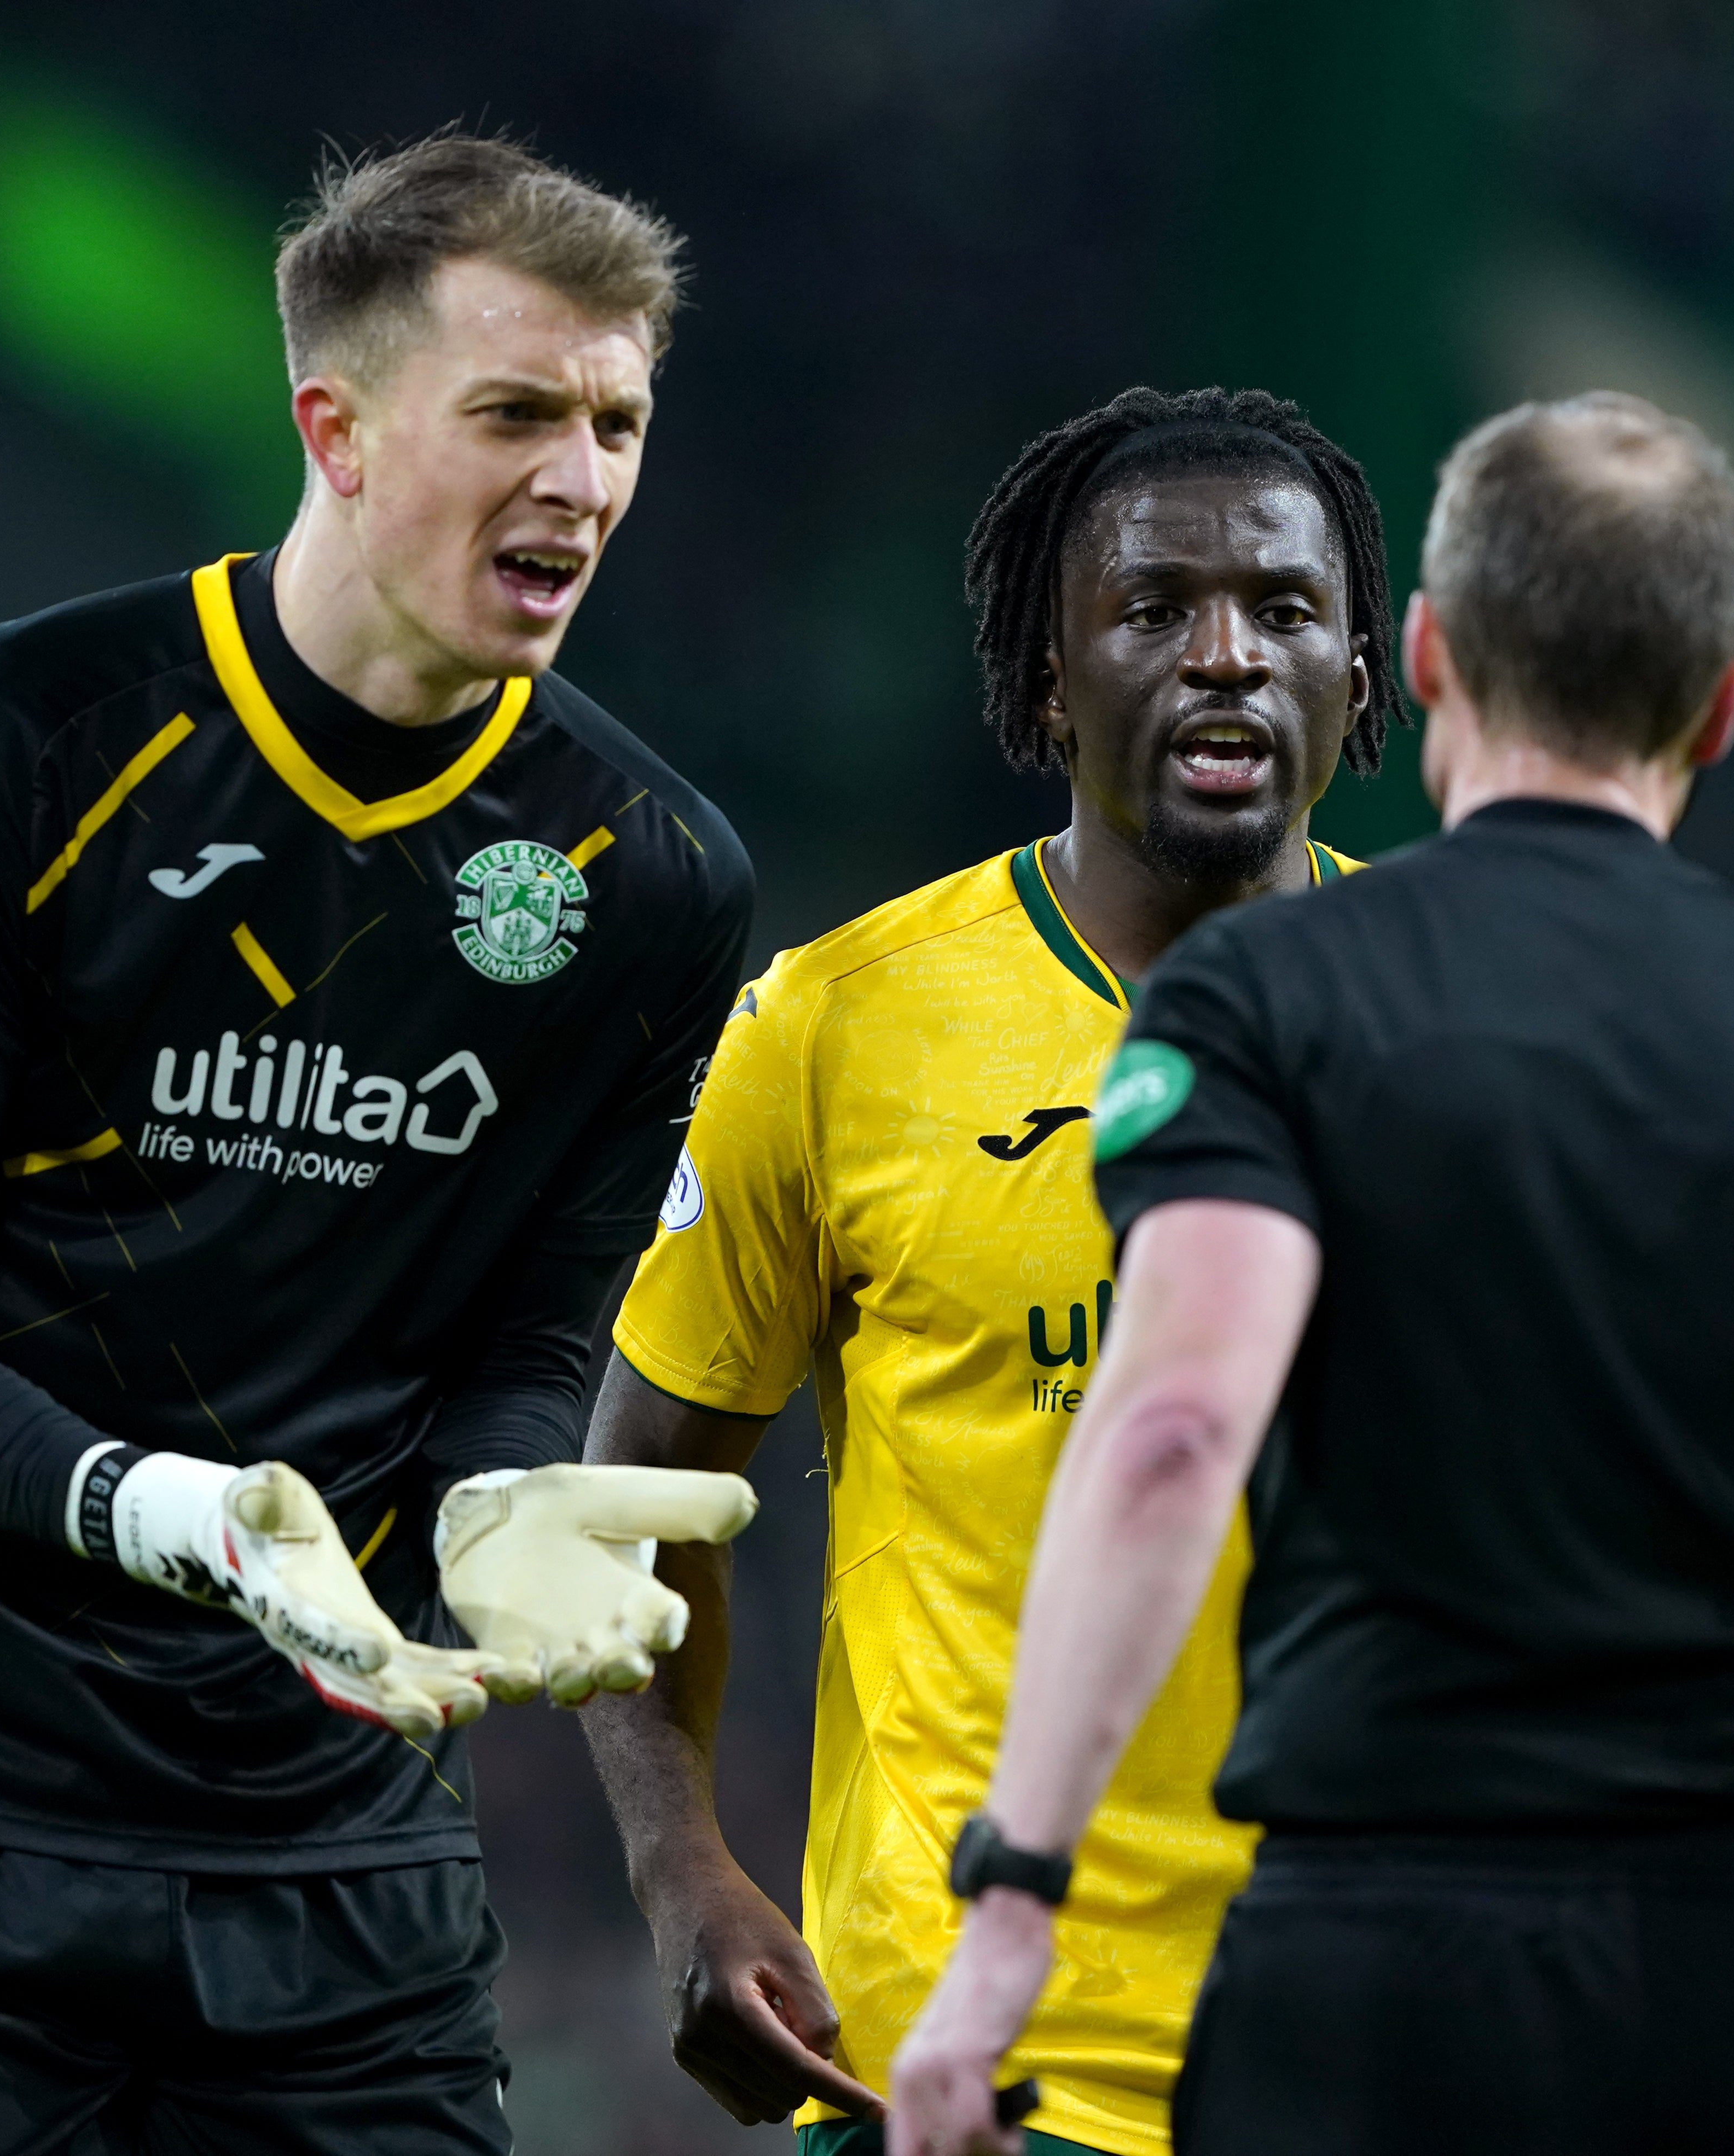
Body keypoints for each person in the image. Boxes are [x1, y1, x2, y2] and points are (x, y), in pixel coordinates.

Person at [888, 392, 1734, 2156]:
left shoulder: (1255, 1006)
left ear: (1429, 657)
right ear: (1724, 704)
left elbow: (1166, 1434)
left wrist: (1009, 1911)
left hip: (1370, 1957)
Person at [0, 133, 759, 2156]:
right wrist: (175, 1514)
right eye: (520, 413)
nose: (583, 477)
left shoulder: (652, 881)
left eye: (619, 421)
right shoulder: (0, 744)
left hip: (338, 1858)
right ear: (340, 426)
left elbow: (521, 1353)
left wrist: (492, 1514)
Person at [579, 387, 1405, 2156]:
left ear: (1363, 675)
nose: (1224, 658)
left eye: (1280, 611)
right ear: (1046, 684)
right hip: (948, 2065)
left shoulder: (1489, 1026)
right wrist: (681, 1869)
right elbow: (637, 1493)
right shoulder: (837, 1023)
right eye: (1151, 609)